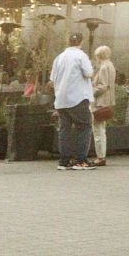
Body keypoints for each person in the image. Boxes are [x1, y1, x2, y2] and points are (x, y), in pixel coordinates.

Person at [49, 33, 95, 171]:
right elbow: (89, 73)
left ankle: (64, 161)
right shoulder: (81, 56)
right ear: (81, 42)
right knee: (85, 127)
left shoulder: (59, 57)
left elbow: (52, 79)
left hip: (61, 99)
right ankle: (81, 160)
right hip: (77, 97)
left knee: (64, 130)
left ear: (68, 41)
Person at [89, 45, 117, 167]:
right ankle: (101, 155)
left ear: (99, 56)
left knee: (98, 129)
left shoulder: (104, 67)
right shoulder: (110, 66)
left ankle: (100, 156)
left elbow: (103, 86)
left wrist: (91, 90)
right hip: (107, 100)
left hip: (101, 101)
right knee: (101, 129)